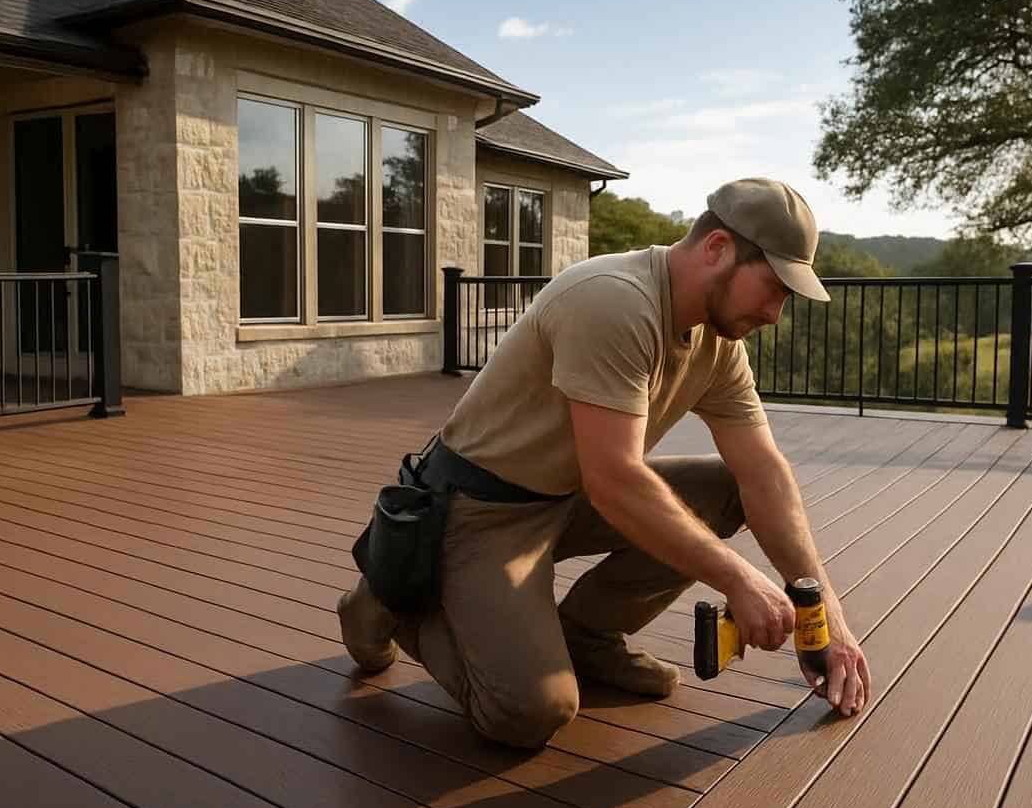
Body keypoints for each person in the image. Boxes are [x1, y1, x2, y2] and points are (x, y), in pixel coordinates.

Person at [339, 177, 872, 749]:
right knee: (528, 713)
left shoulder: (719, 344)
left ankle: (586, 637)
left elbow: (763, 471)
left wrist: (825, 611)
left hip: (569, 496)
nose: (775, 312)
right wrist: (738, 577)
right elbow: (616, 480)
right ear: (717, 249)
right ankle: (394, 598)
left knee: (725, 489)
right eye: (773, 287)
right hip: (481, 510)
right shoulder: (613, 301)